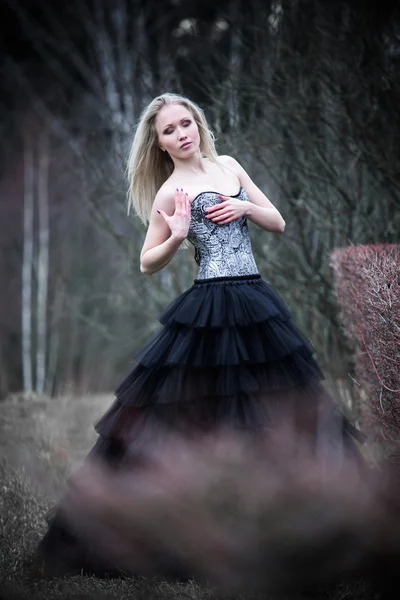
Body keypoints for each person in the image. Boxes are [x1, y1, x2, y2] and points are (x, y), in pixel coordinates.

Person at [37, 92, 364, 578]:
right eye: (169, 130)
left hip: (256, 303)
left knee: (283, 409)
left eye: (186, 123)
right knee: (192, 418)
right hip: (210, 306)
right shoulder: (171, 191)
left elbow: (277, 220)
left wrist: (243, 209)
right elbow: (147, 263)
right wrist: (176, 233)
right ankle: (180, 531)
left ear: (198, 125)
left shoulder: (228, 165)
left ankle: (310, 529)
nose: (181, 133)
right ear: (160, 144)